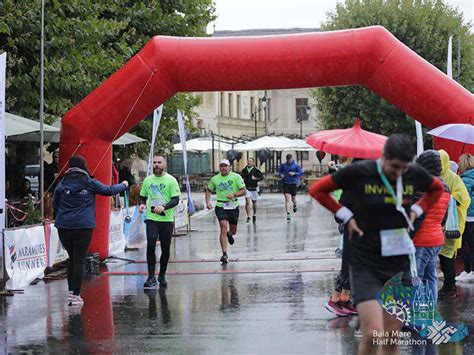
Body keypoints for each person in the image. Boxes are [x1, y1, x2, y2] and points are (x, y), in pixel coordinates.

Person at [309, 134, 444, 354]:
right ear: (383, 158)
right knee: (372, 334)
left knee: (390, 338)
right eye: (395, 167)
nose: (399, 173)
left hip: (398, 263)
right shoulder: (361, 172)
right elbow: (318, 190)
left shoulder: (412, 173)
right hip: (365, 262)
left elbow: (437, 189)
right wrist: (345, 215)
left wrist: (416, 210)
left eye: (404, 168)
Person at [53, 155, 127, 306]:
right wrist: (124, 185)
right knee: (79, 260)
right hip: (83, 226)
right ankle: (76, 295)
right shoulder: (89, 182)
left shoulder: (62, 183)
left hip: (64, 226)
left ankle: (70, 292)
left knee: (72, 258)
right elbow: (108, 190)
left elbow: (55, 203)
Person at [411, 150, 450, 301]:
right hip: (436, 238)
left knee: (416, 278)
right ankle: (429, 312)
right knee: (430, 277)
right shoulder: (444, 186)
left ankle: (416, 317)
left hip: (422, 239)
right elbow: (444, 216)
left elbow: (417, 216)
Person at [139, 156, 181, 288]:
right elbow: (142, 196)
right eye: (154, 163)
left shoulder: (171, 180)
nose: (156, 165)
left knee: (165, 247)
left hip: (166, 219)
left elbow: (175, 199)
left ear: (165, 164)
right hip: (151, 218)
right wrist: (141, 204)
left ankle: (162, 275)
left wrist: (164, 206)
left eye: (159, 162)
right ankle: (151, 277)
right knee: (151, 243)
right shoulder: (148, 180)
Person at [438, 150, 470, 299]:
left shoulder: (453, 178)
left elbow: (464, 198)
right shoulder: (432, 176)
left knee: (448, 256)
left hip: (451, 225)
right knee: (439, 256)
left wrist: (446, 199)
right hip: (436, 224)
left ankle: (450, 287)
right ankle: (447, 286)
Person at [205, 159, 246, 264]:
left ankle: (229, 234)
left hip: (233, 206)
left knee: (233, 231)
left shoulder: (236, 177)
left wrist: (234, 195)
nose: (223, 168)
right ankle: (224, 254)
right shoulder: (215, 179)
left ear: (229, 167)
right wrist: (208, 202)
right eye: (221, 166)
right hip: (220, 206)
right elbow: (208, 190)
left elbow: (244, 191)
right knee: (223, 227)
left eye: (225, 166)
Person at [456, 153, 474, 283]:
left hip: (467, 216)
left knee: (465, 245)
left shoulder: (465, 179)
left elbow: (463, 198)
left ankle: (468, 270)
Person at [279, 154, 302, 221]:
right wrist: (281, 175)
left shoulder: (296, 165)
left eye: (290, 159)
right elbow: (280, 172)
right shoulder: (283, 165)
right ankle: (288, 214)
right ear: (286, 159)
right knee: (287, 198)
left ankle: (295, 204)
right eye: (288, 160)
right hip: (286, 183)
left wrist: (294, 173)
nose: (289, 161)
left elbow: (300, 172)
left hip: (293, 183)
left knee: (293, 199)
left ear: (292, 158)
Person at [240, 157, 263, 223]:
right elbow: (241, 176)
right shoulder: (244, 170)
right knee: (247, 202)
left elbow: (261, 177)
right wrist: (242, 179)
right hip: (247, 188)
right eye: (248, 161)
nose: (248, 162)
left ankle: (254, 214)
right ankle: (248, 216)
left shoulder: (256, 170)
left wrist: (255, 178)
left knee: (254, 202)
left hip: (254, 188)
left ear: (253, 163)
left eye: (250, 161)